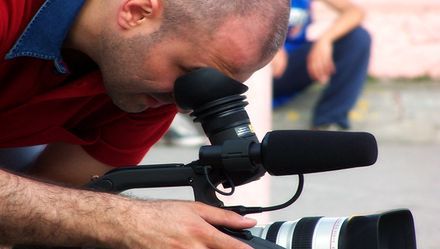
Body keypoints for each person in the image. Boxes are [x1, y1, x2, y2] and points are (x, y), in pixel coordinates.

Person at [0, 0, 290, 248]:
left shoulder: (146, 87)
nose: (183, 105)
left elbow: (44, 211)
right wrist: (122, 221)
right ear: (136, 11)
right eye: (191, 73)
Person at [271, 0, 371, 130]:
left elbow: (355, 12)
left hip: (288, 67)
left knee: (358, 37)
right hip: (255, 67)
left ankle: (328, 123)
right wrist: (272, 45)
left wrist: (326, 40)